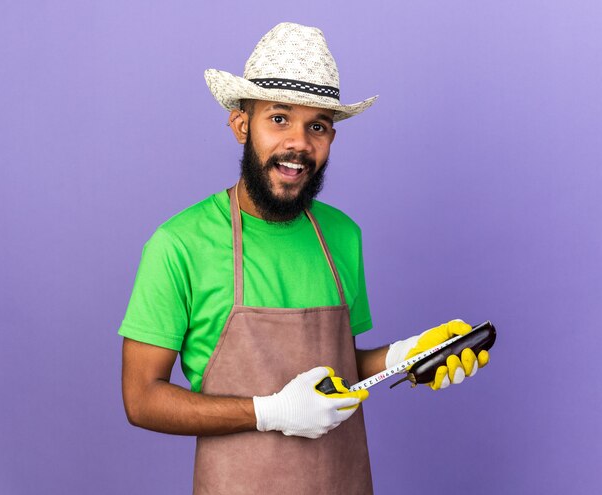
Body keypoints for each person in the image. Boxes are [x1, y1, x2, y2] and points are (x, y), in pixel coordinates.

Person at [118, 22, 490, 494]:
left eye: (317, 126)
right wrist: (269, 412)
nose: (299, 143)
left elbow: (336, 366)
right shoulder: (179, 244)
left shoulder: (341, 235)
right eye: (279, 118)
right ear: (240, 125)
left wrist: (407, 356)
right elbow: (141, 398)